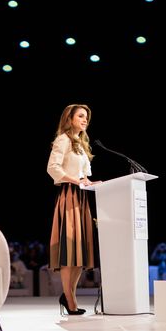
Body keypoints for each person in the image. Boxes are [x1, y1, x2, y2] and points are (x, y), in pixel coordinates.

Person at [47, 104, 101, 315]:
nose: (85, 119)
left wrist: (91, 182)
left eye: (86, 116)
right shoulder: (63, 139)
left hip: (82, 197)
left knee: (80, 251)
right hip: (69, 196)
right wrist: (76, 180)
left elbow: (82, 175)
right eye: (80, 116)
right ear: (69, 119)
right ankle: (69, 298)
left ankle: (69, 295)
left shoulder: (81, 144)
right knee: (70, 250)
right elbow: (53, 168)